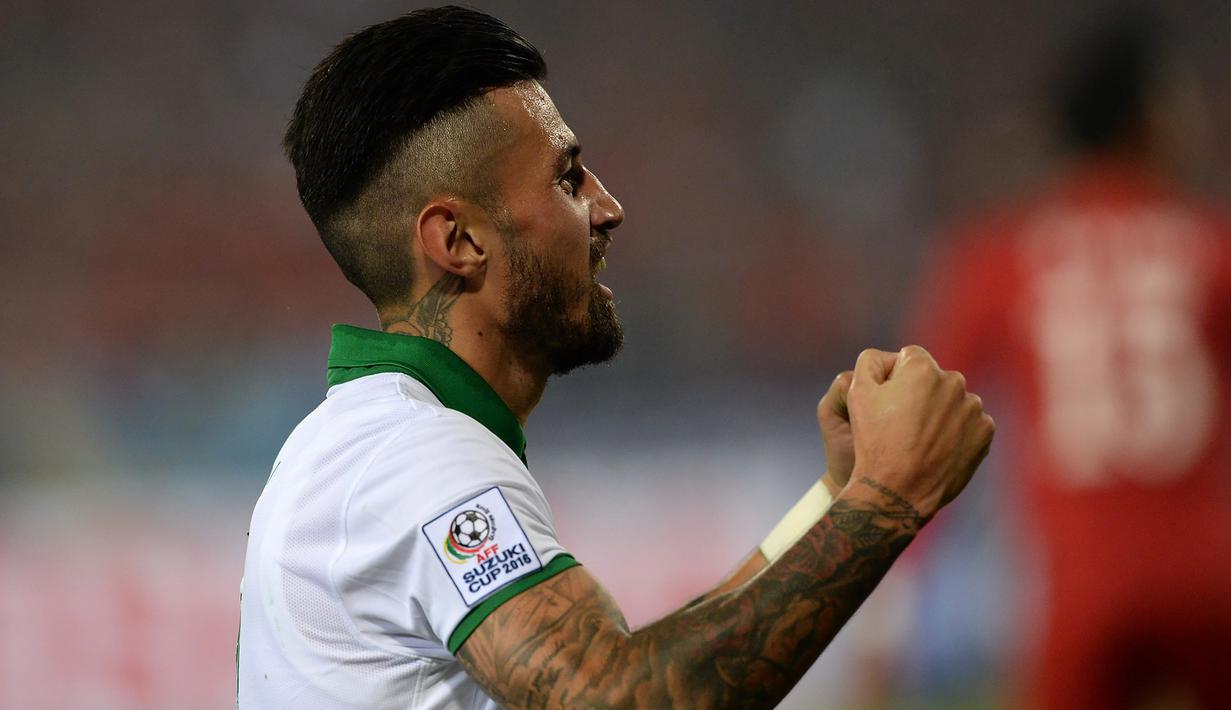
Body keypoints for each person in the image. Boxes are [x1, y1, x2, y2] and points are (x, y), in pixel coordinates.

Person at [237, 7, 994, 708]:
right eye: (567, 178)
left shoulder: (364, 444)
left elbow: (630, 663)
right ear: (459, 242)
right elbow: (622, 697)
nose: (607, 206)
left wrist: (838, 495)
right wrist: (889, 500)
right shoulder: (413, 458)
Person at [911, 16, 1231, 710]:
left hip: (1080, 594)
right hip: (1210, 582)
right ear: (1147, 117)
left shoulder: (1001, 256)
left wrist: (888, 602)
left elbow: (913, 434)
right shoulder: (1210, 247)